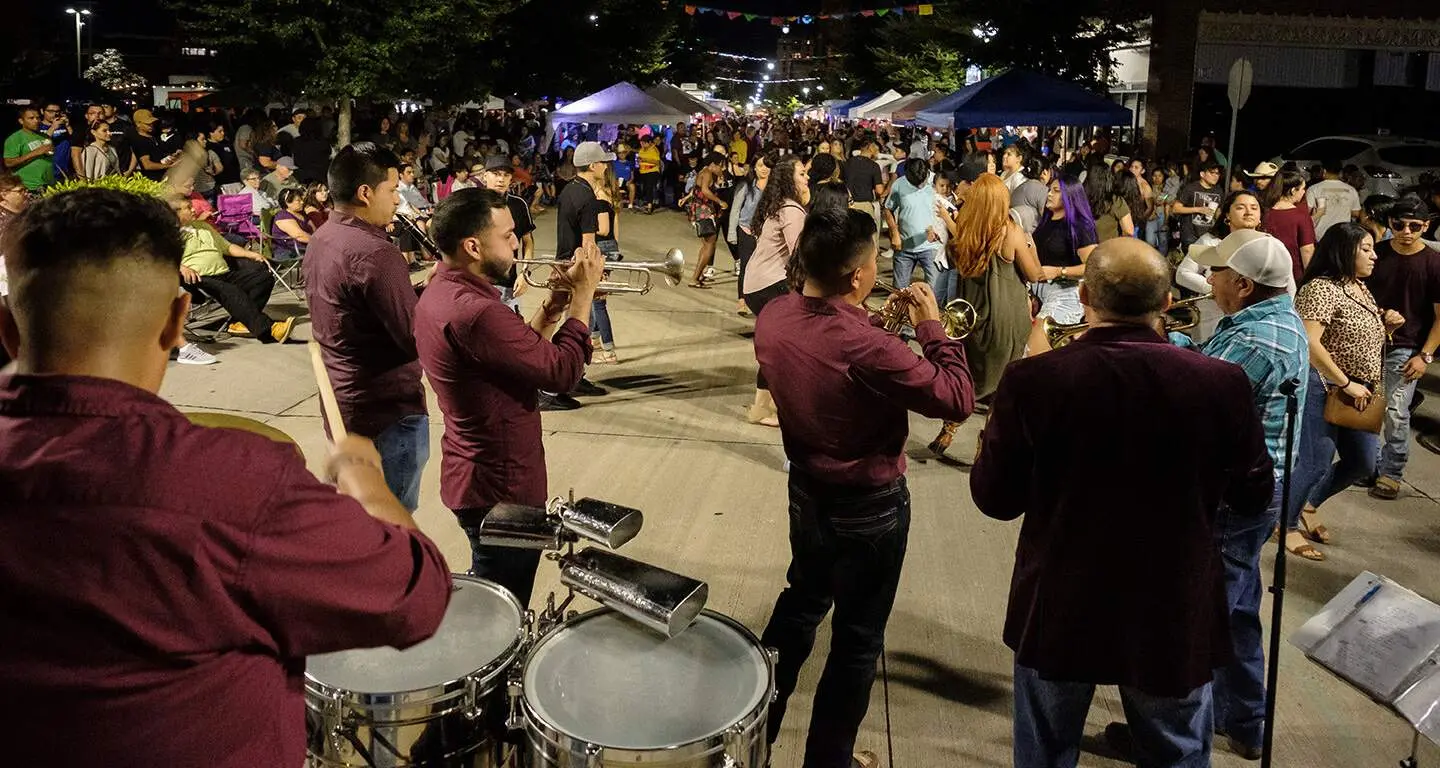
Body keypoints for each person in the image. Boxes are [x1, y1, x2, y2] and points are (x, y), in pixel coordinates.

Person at [0, 187, 451, 766]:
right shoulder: (234, 486)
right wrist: (369, 485)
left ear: (7, 329)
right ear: (176, 322)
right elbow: (414, 597)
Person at [972, 237, 1274, 768]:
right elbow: (1254, 496)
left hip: (1062, 601)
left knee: (1044, 747)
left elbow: (995, 499)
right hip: (1172, 606)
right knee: (1176, 750)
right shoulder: (1222, 383)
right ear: (1164, 304)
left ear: (1084, 296)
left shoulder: (1033, 381)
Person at [756, 208, 975, 768]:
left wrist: (874, 322)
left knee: (800, 604)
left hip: (807, 491)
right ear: (857, 276)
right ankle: (828, 761)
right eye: (874, 261)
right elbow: (956, 398)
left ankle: (755, 734)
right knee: (856, 639)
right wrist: (930, 327)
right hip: (869, 505)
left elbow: (833, 348)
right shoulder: (866, 345)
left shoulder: (774, 316)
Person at [1153, 229, 1308, 760]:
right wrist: (1171, 342)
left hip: (1231, 495)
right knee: (1235, 610)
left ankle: (1179, 739)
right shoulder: (1261, 324)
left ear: (1242, 284)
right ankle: (1245, 720)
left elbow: (1198, 403)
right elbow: (1210, 367)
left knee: (1201, 619)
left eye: (1217, 272)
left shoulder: (1256, 340)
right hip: (1252, 491)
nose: (1209, 280)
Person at [414, 188, 603, 607]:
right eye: (508, 234)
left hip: (476, 473)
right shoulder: (478, 311)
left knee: (493, 591)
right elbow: (562, 373)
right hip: (501, 487)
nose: (517, 243)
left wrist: (554, 306)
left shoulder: (442, 292)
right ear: (473, 246)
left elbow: (518, 355)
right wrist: (583, 298)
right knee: (504, 608)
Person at [305, 142, 430, 511]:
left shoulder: (324, 236)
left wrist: (419, 288)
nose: (396, 201)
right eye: (391, 191)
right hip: (386, 410)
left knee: (356, 518)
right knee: (391, 525)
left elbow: (359, 309)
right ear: (364, 193)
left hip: (344, 401)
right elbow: (414, 338)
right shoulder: (377, 252)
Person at [1286, 223, 1398, 561]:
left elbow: (1359, 336)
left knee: (1363, 462)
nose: (1374, 256)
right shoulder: (1321, 288)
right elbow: (1309, 343)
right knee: (1315, 461)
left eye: (1373, 248)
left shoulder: (1361, 288)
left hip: (1360, 392)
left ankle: (1309, 504)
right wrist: (1344, 381)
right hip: (1325, 386)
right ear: (1343, 250)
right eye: (1365, 248)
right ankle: (1286, 525)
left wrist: (1387, 326)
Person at [929, 174, 1042, 457]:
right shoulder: (1010, 231)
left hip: (971, 319)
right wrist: (1032, 247)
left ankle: (950, 426)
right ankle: (986, 442)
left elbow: (954, 263)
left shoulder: (965, 233)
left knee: (969, 376)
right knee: (1003, 385)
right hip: (1008, 319)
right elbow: (1034, 273)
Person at [1363, 197, 1440, 501]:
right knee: (1365, 407)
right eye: (1399, 224)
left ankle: (1391, 473)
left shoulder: (1433, 263)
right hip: (1367, 342)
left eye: (1415, 225)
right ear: (1390, 224)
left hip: (1407, 349)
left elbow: (1439, 317)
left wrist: (1425, 355)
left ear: (1426, 226)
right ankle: (1367, 464)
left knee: (1396, 410)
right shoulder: (1375, 255)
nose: (1406, 231)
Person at [743, 155, 810, 427]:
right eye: (802, 174)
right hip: (771, 285)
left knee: (778, 347)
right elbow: (799, 254)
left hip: (758, 284)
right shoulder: (791, 210)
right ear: (789, 180)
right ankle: (769, 408)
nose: (807, 178)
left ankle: (764, 406)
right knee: (784, 349)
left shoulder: (780, 206)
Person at [1176, 190, 1263, 342]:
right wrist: (1214, 289)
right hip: (1213, 317)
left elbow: (1286, 285)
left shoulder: (1268, 244)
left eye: (1254, 208)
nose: (1249, 212)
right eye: (1241, 207)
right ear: (1227, 215)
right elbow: (1182, 274)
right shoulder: (1210, 241)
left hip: (1254, 319)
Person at [1026, 175, 1098, 355]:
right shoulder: (1047, 220)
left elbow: (1092, 267)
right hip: (1040, 292)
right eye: (1050, 190)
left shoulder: (1080, 227)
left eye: (1056, 191)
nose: (1050, 194)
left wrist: (1059, 271)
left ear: (1070, 196)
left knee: (1034, 352)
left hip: (1066, 294)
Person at [479, 154, 535, 313]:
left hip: (508, 284)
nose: (501, 179)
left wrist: (525, 273)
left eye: (506, 175)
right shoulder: (473, 204)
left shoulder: (519, 204)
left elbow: (528, 241)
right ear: (485, 176)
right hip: (477, 283)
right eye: (496, 174)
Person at [883, 157, 943, 289]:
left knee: (934, 291)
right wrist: (894, 233)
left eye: (922, 182)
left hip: (931, 247)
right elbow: (888, 209)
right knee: (900, 291)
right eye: (915, 183)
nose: (920, 186)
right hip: (905, 247)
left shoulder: (937, 182)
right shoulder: (899, 184)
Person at [729, 151, 774, 317]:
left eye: (767, 165)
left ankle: (760, 299)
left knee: (763, 268)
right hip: (745, 230)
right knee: (746, 267)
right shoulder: (746, 186)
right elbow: (735, 210)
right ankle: (741, 300)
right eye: (761, 165)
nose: (764, 169)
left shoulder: (775, 189)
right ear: (754, 167)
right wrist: (732, 234)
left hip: (766, 234)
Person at [1262, 170, 1317, 282]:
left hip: (1267, 273)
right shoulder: (1301, 217)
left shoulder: (1264, 213)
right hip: (1293, 276)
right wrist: (1310, 279)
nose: (1304, 192)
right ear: (1293, 191)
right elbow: (1307, 250)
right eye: (1302, 189)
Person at [688, 152, 728, 289]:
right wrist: (719, 201)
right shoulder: (707, 173)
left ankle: (698, 275)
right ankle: (694, 278)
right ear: (712, 164)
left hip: (700, 210)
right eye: (720, 166)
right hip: (703, 211)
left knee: (706, 245)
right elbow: (705, 191)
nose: (721, 169)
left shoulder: (705, 172)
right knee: (710, 245)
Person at [1172, 160, 1223, 253]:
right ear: (1202, 174)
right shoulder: (1191, 188)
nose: (1216, 176)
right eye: (1212, 173)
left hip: (1209, 234)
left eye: (1218, 173)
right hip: (1190, 234)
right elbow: (1176, 208)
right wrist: (1198, 209)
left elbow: (1218, 211)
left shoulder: (1218, 191)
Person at [1307, 158, 1362, 241]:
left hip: (1320, 236)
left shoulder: (1314, 189)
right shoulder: (1351, 190)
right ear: (1340, 172)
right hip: (1343, 236)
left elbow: (1306, 213)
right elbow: (1356, 213)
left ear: (1324, 171)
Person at [4, 107, 55, 192]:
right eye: (31, 118)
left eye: (38, 118)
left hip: (48, 185)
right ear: (21, 121)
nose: (36, 121)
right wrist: (36, 152)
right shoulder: (15, 138)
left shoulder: (44, 136)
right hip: (28, 187)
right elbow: (8, 163)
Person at [1084, 163, 1135, 242]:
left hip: (1083, 248)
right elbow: (1129, 231)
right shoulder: (1115, 200)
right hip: (1107, 249)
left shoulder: (1079, 197)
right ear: (1108, 178)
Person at [844, 138, 885, 230]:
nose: (877, 153)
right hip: (864, 205)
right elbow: (879, 190)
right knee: (868, 235)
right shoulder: (874, 166)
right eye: (876, 149)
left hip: (848, 204)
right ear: (870, 148)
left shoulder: (848, 162)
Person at [270, 188, 313, 261]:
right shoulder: (283, 217)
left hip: (306, 247)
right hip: (289, 251)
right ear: (287, 203)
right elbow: (300, 236)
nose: (302, 202)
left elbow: (315, 230)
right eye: (298, 200)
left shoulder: (302, 214)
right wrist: (321, 242)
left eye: (301, 199)